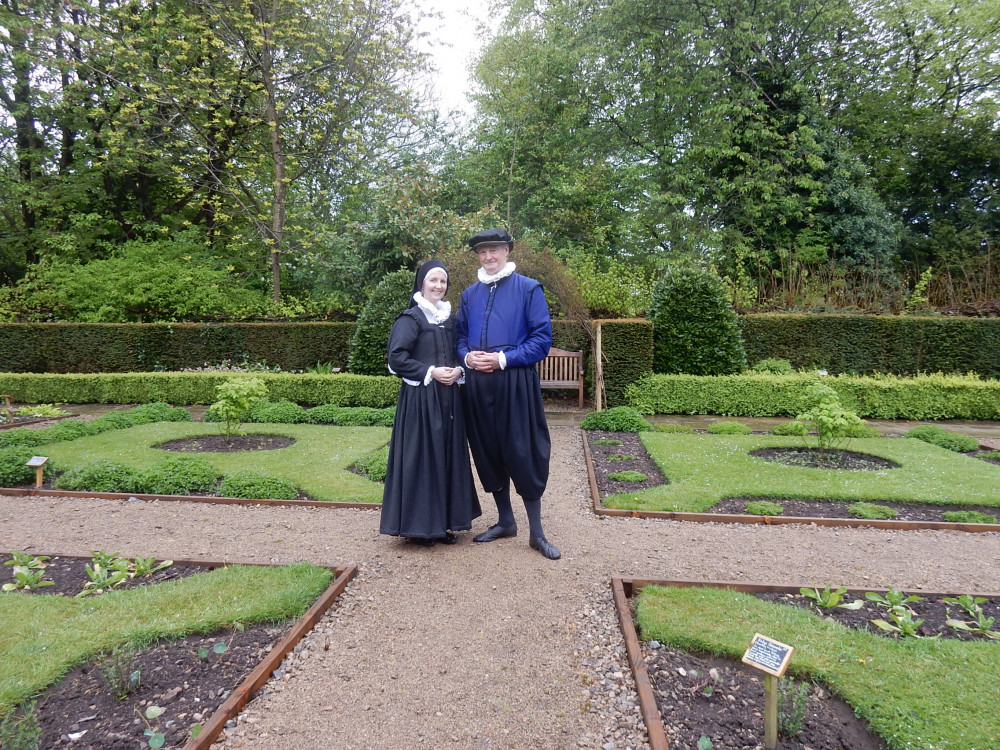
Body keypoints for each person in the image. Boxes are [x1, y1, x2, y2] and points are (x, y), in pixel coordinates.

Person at [456, 229, 561, 560]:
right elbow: (458, 337)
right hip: (476, 385)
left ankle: (537, 534)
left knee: (522, 451)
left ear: (506, 251)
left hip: (514, 384)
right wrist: (466, 357)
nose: (488, 257)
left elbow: (541, 340)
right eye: (482, 252)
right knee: (487, 451)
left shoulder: (528, 289)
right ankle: (505, 521)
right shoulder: (469, 294)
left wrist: (502, 359)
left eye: (494, 251)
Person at [380, 260, 481, 546]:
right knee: (423, 458)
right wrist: (431, 372)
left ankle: (444, 524)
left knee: (447, 455)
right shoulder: (410, 319)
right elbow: (396, 359)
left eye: (443, 282)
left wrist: (458, 370)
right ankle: (420, 527)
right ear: (422, 283)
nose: (438, 286)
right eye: (433, 280)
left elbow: (461, 351)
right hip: (421, 400)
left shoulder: (450, 319)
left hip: (449, 398)